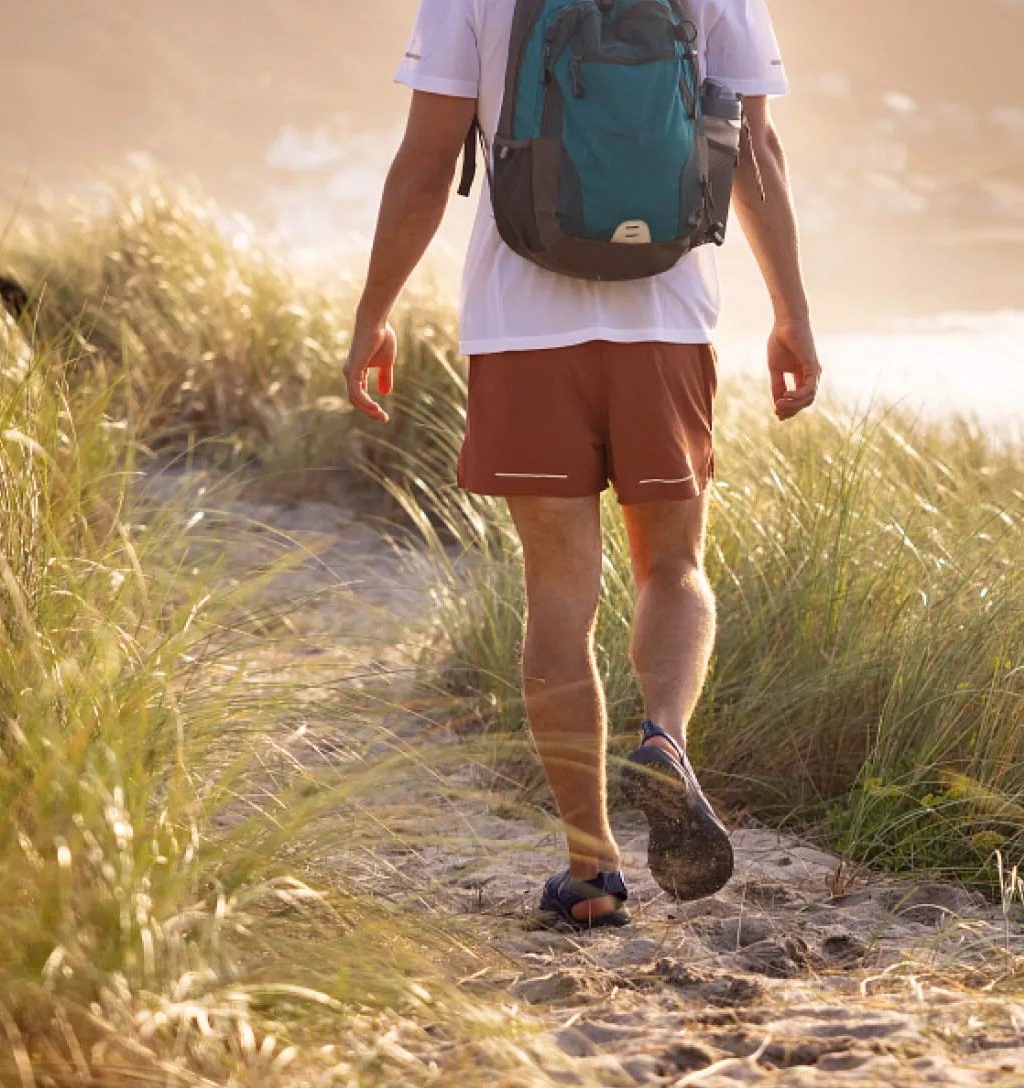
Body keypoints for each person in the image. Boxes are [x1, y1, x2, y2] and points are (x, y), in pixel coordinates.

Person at [343, 0, 820, 928]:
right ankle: (665, 741)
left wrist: (374, 311)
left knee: (560, 595)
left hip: (522, 331)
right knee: (674, 568)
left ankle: (592, 871)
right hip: (667, 317)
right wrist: (791, 310)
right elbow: (757, 152)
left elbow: (427, 159)